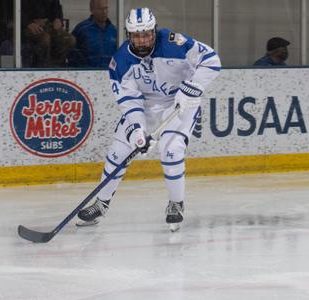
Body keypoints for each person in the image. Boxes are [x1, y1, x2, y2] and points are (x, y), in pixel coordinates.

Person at [77, 7, 221, 231]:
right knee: (118, 152)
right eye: (136, 36)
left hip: (179, 105)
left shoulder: (175, 42)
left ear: (154, 31)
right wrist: (137, 130)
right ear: (128, 35)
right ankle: (101, 203)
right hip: (146, 108)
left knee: (171, 151)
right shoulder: (120, 61)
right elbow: (129, 100)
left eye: (146, 34)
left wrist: (192, 88)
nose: (142, 40)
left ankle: (176, 204)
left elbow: (211, 60)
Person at [21, 0, 75, 67]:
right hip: (26, 26)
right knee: (45, 39)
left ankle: (57, 66)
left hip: (48, 23)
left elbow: (57, 8)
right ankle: (41, 67)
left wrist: (58, 19)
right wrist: (28, 23)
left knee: (69, 39)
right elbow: (14, 9)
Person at [68, 0, 117, 68]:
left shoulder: (113, 30)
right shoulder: (82, 29)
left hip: (109, 74)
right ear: (92, 10)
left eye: (106, 8)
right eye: (100, 9)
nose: (104, 12)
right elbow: (71, 54)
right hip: (85, 74)